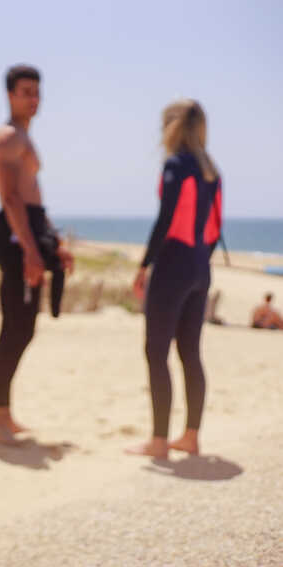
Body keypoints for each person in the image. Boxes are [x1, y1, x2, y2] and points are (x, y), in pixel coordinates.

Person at [0, 64, 74, 444]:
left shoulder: (24, 137)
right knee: (15, 326)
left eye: (37, 92)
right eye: (25, 92)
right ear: (9, 95)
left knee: (24, 327)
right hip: (17, 236)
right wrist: (31, 251)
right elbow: (12, 198)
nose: (33, 99)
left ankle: (2, 412)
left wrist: (54, 242)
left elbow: (34, 199)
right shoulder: (6, 139)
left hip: (31, 231)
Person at [128, 99, 222, 459]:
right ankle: (191, 436)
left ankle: (157, 442)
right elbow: (214, 229)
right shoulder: (212, 171)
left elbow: (164, 220)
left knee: (155, 352)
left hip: (173, 267)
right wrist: (199, 262)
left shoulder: (175, 165)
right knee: (190, 354)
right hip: (201, 267)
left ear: (171, 127)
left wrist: (144, 265)